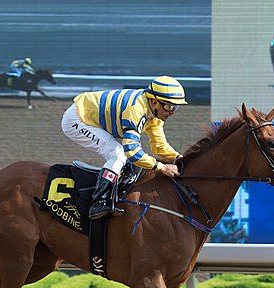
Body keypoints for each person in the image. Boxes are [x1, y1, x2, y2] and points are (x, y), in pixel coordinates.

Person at [61, 76, 185, 219]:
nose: (171, 112)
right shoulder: (135, 109)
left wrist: (181, 159)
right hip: (77, 119)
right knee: (118, 154)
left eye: (176, 107)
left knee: (123, 159)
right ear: (154, 101)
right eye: (169, 107)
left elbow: (160, 147)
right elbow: (132, 152)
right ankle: (99, 202)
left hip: (92, 119)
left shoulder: (155, 115)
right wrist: (161, 167)